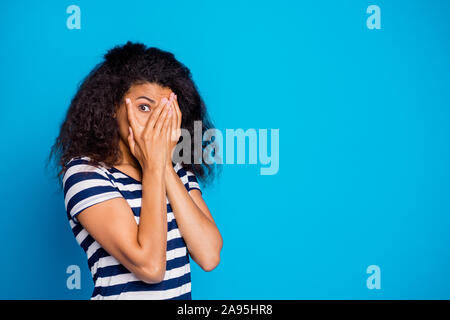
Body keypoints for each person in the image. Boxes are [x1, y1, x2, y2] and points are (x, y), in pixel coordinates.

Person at [50, 41, 223, 299]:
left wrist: (162, 165)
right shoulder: (86, 173)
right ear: (112, 108)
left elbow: (209, 256)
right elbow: (150, 267)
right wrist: (154, 166)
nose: (155, 121)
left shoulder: (176, 171)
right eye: (144, 107)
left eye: (164, 111)